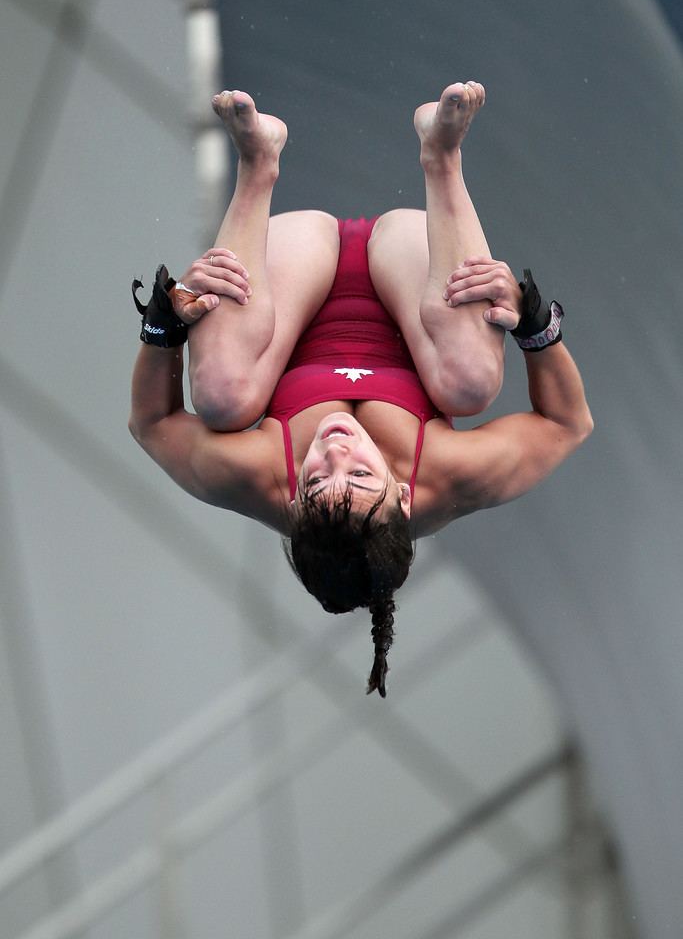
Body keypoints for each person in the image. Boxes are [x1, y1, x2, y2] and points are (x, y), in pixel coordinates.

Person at [130, 81, 593, 697]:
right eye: (360, 478)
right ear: (404, 496)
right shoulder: (450, 475)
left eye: (318, 479)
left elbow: (153, 423)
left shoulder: (255, 475)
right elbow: (567, 424)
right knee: (471, 383)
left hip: (294, 263)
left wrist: (165, 321)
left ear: (295, 503)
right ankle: (443, 158)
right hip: (412, 258)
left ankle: (257, 165)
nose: (336, 451)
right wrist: (534, 322)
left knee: (221, 397)